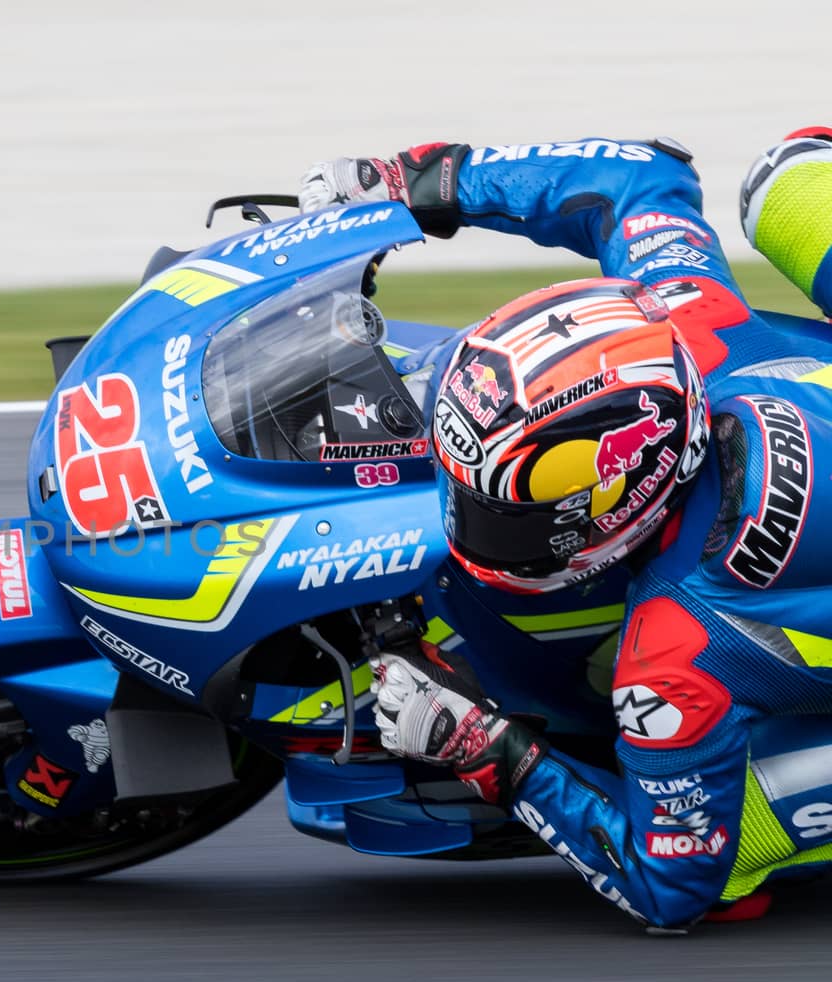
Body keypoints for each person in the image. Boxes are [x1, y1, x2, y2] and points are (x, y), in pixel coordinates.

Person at [297, 130, 832, 930]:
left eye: (503, 512)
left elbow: (665, 890)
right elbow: (639, 176)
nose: (471, 525)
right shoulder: (691, 317)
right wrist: (420, 182)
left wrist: (483, 748)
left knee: (719, 872)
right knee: (787, 177)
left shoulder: (676, 652)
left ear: (623, 497)